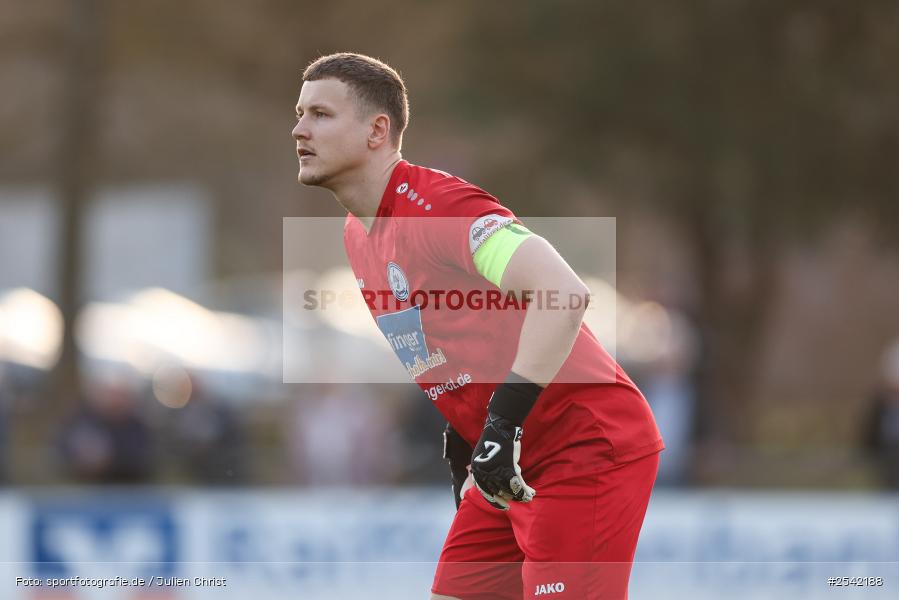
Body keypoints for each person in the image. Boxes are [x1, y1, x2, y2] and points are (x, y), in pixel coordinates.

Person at [292, 52, 664, 600]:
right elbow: (454, 340)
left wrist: (501, 421)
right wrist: (468, 427)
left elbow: (563, 293)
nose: (299, 129)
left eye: (320, 114)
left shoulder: (438, 206)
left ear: (377, 131)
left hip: (583, 446)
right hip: (506, 457)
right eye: (299, 114)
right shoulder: (357, 234)